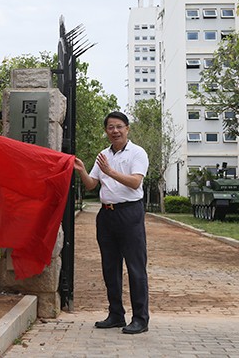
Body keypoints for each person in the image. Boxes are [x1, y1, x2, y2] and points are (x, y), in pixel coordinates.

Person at [74, 111, 150, 334]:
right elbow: (91, 184)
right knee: (110, 266)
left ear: (127, 129)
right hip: (106, 215)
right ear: (106, 131)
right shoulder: (103, 155)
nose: (115, 131)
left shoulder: (137, 153)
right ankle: (116, 314)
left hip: (130, 214)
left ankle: (140, 319)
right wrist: (82, 171)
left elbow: (135, 182)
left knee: (135, 267)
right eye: (110, 127)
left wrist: (110, 171)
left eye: (119, 127)